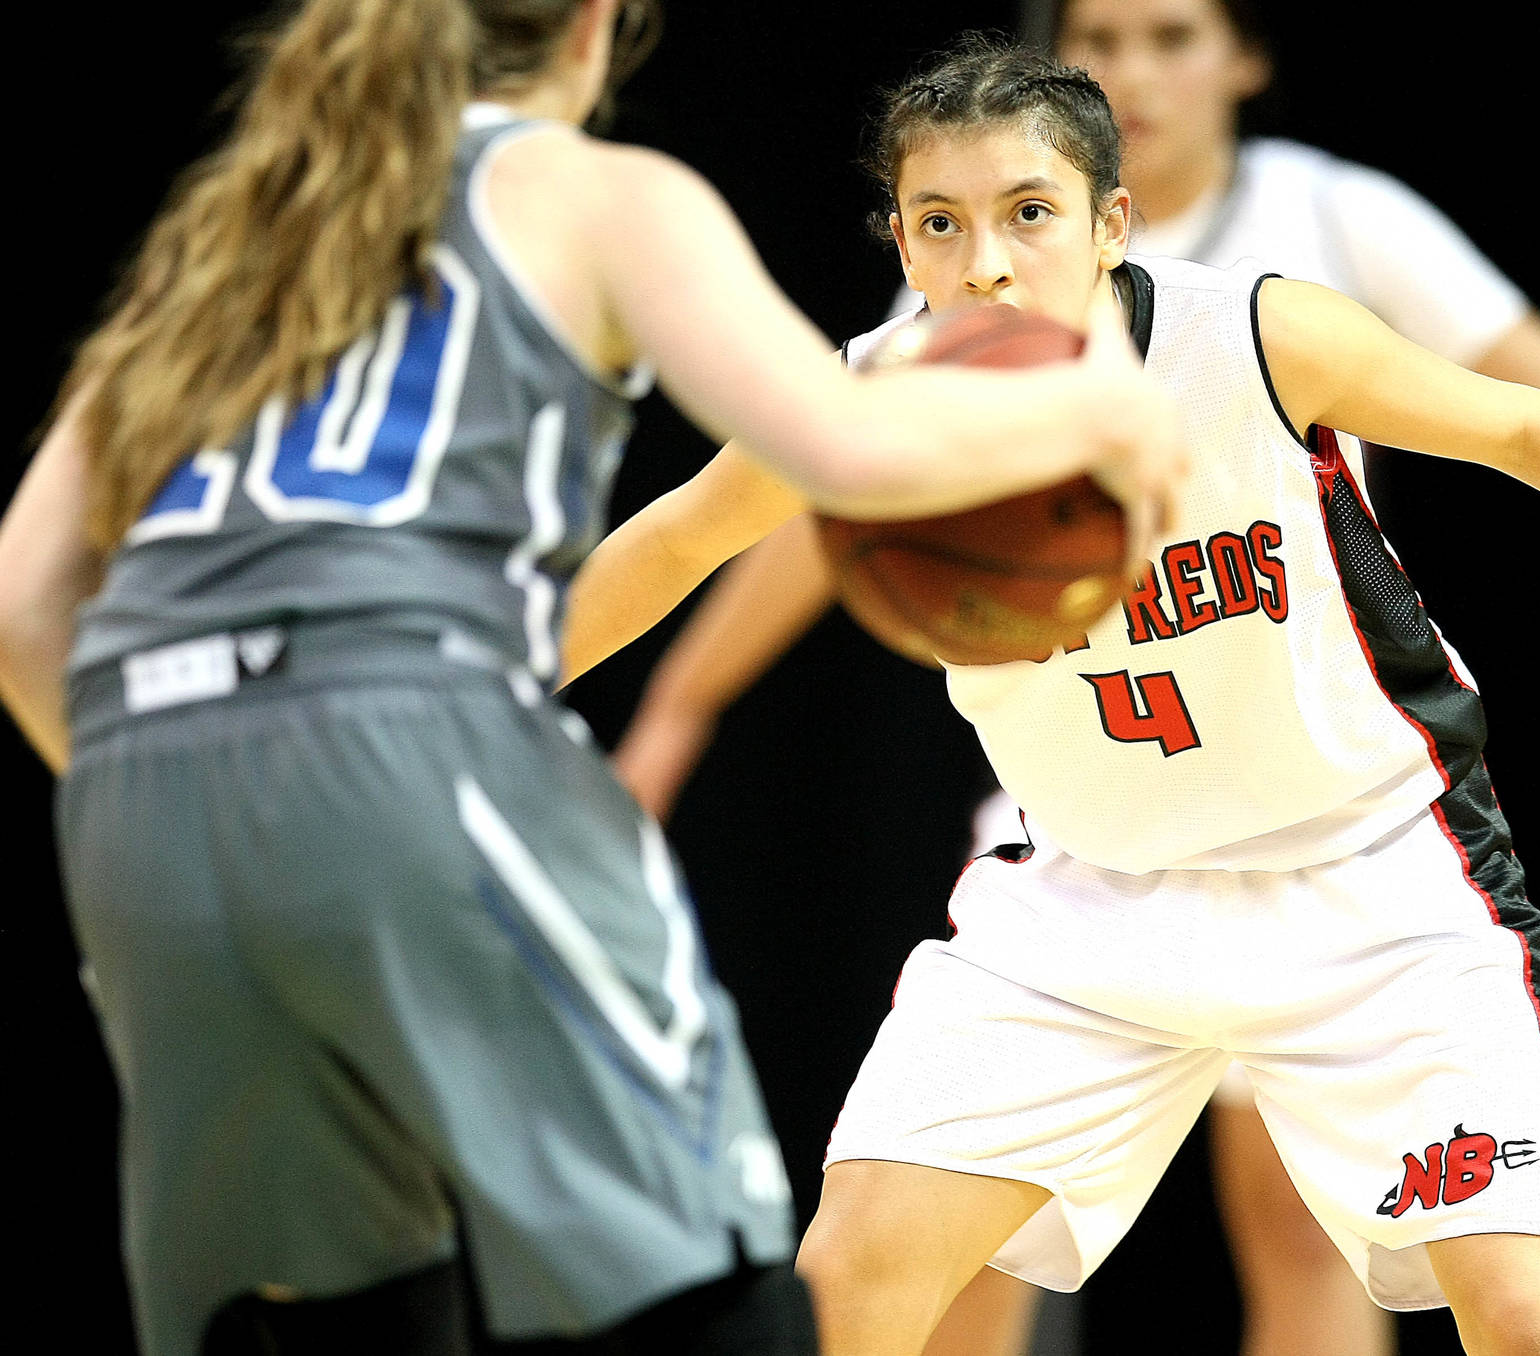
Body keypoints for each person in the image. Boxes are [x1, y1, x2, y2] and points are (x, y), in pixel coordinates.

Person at [559, 33, 1540, 1356]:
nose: (988, 261)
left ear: (1107, 224)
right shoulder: (867, 394)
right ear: (901, 246)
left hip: (1374, 883)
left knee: (1514, 1305)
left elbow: (1518, 422)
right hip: (1086, 898)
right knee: (856, 1276)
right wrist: (477, 681)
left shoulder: (1251, 337)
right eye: (940, 224)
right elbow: (679, 538)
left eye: (1027, 213)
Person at [0, 5, 1182, 1354]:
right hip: (412, 737)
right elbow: (843, 448)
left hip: (136, 798)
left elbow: (22, 603)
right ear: (593, 28)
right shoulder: (591, 188)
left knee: (324, 1313)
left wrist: (212, 790)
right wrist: (1107, 417)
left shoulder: (223, 231)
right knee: (711, 1287)